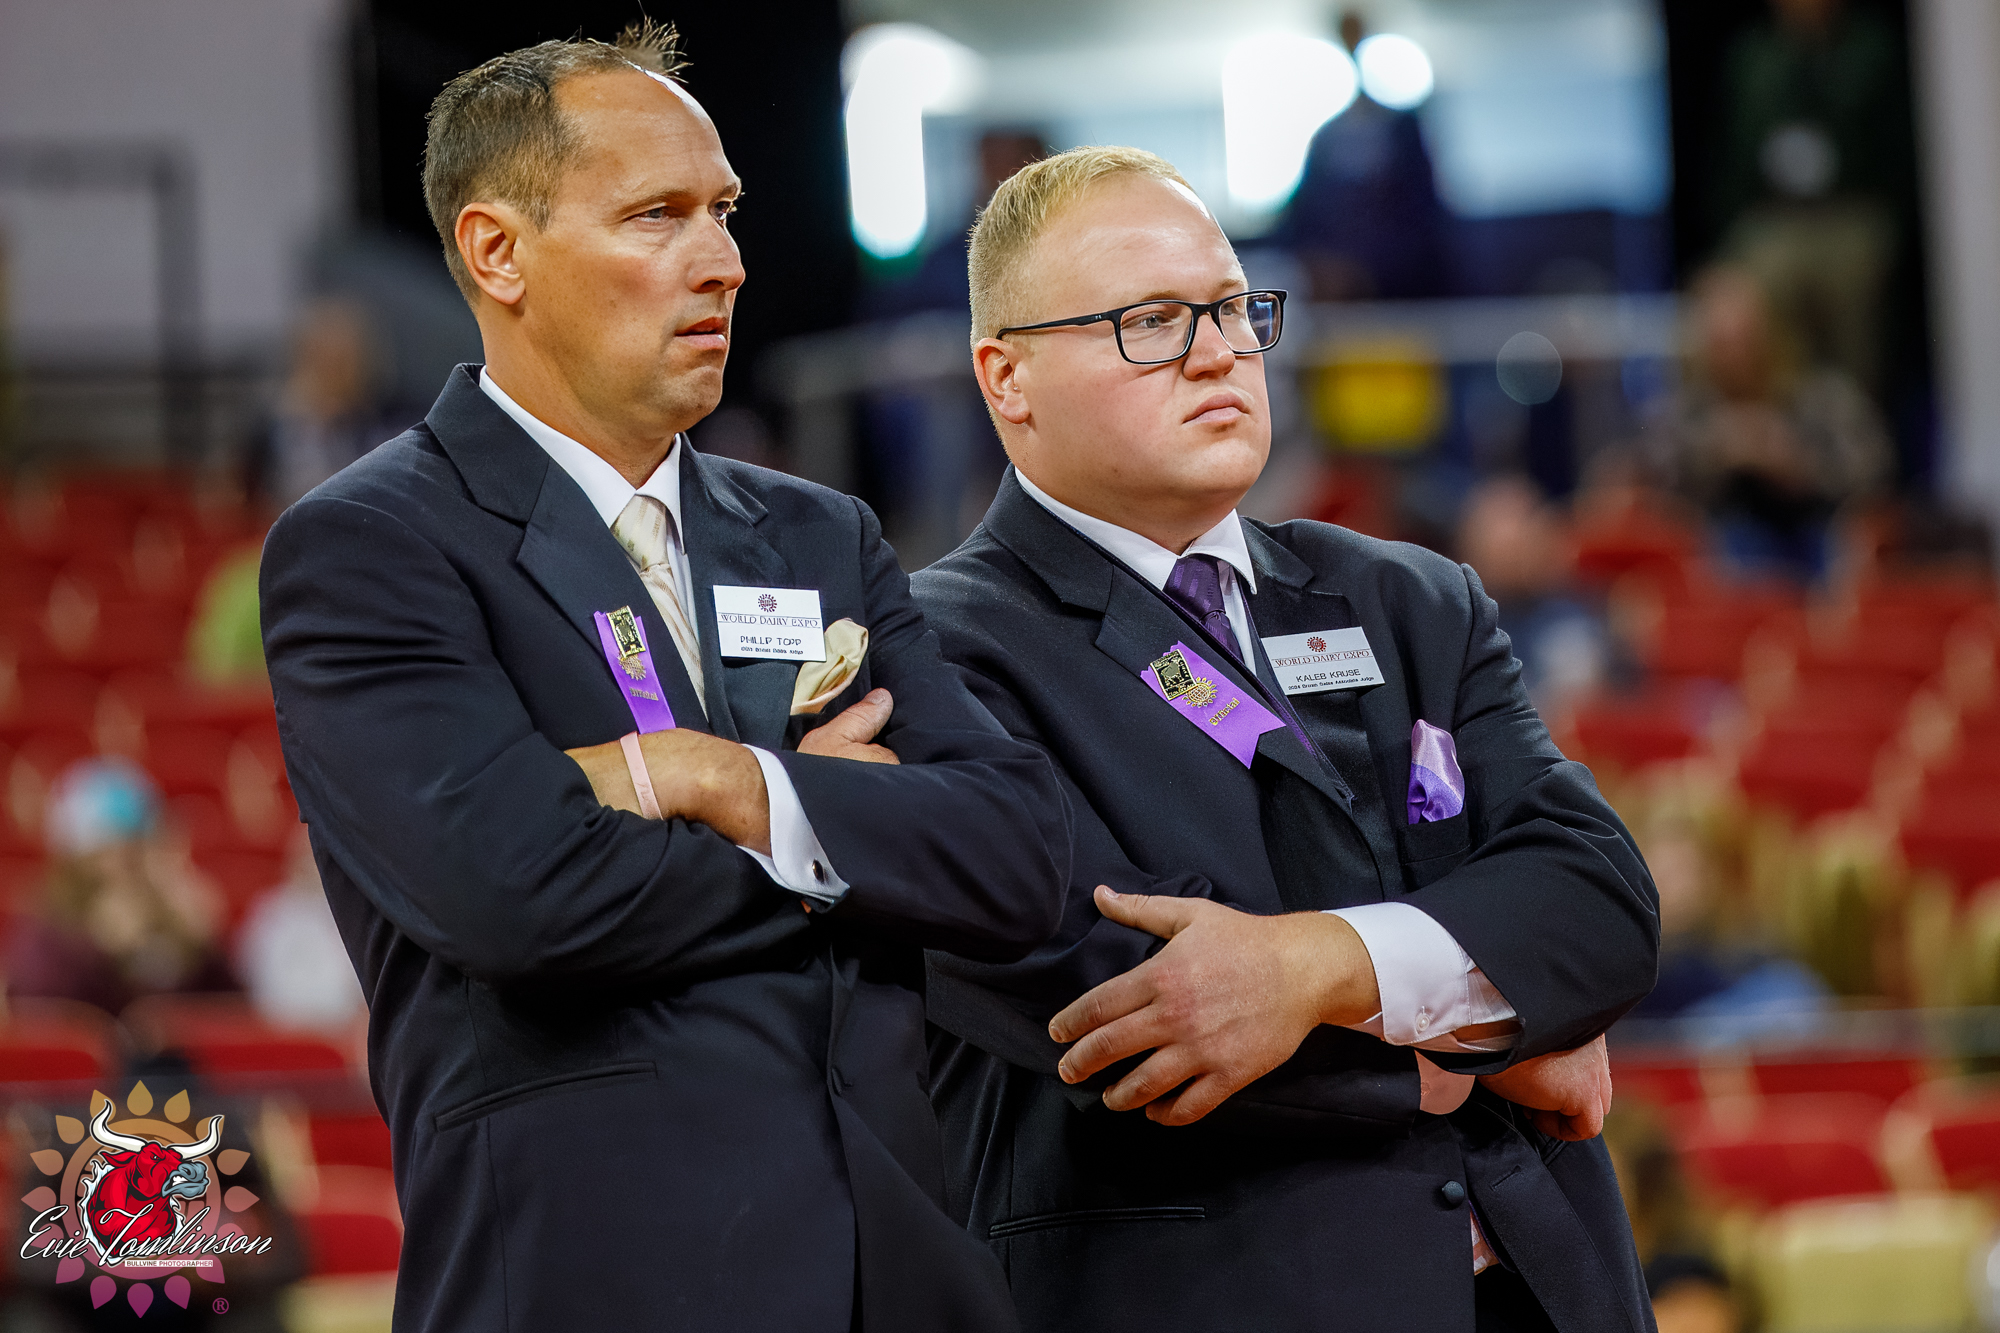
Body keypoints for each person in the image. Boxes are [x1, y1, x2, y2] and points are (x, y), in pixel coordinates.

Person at [258, 25, 1069, 1333]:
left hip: (905, 1277)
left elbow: (1015, 855)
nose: (725, 262)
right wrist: (842, 834)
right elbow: (519, 893)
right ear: (497, 252)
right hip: (598, 1281)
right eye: (657, 216)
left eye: (724, 212)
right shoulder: (370, 544)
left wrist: (722, 782)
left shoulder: (822, 533)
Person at [912, 147, 1659, 1331]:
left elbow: (1597, 904)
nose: (1217, 351)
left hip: (1538, 1288)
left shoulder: (1411, 598)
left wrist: (1311, 969)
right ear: (1008, 378)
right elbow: (1122, 1008)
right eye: (1149, 321)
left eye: (1229, 308)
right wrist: (1493, 1029)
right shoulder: (933, 651)